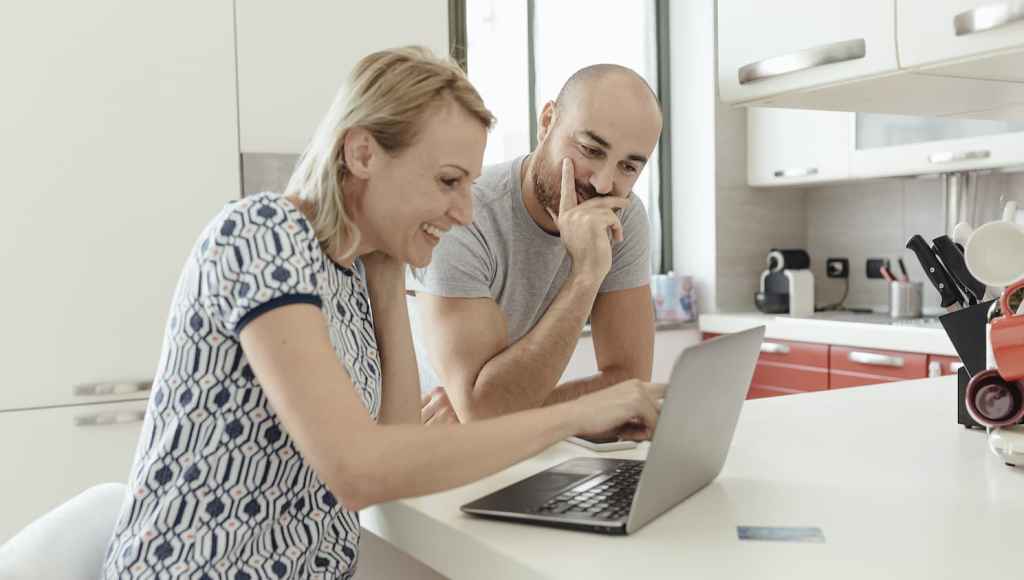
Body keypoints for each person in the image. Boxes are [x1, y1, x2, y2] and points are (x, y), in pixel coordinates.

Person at [101, 47, 663, 579]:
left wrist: (390, 271)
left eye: (468, 184)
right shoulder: (261, 233)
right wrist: (577, 414)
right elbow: (360, 473)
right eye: (448, 181)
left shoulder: (368, 270)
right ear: (363, 153)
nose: (466, 212)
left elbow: (401, 452)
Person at [410, 63, 663, 424]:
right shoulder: (464, 216)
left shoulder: (622, 217)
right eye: (591, 150)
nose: (605, 183)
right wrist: (585, 277)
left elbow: (628, 383)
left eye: (628, 168)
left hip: (507, 440)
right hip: (427, 445)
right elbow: (484, 413)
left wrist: (511, 414)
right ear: (547, 122)